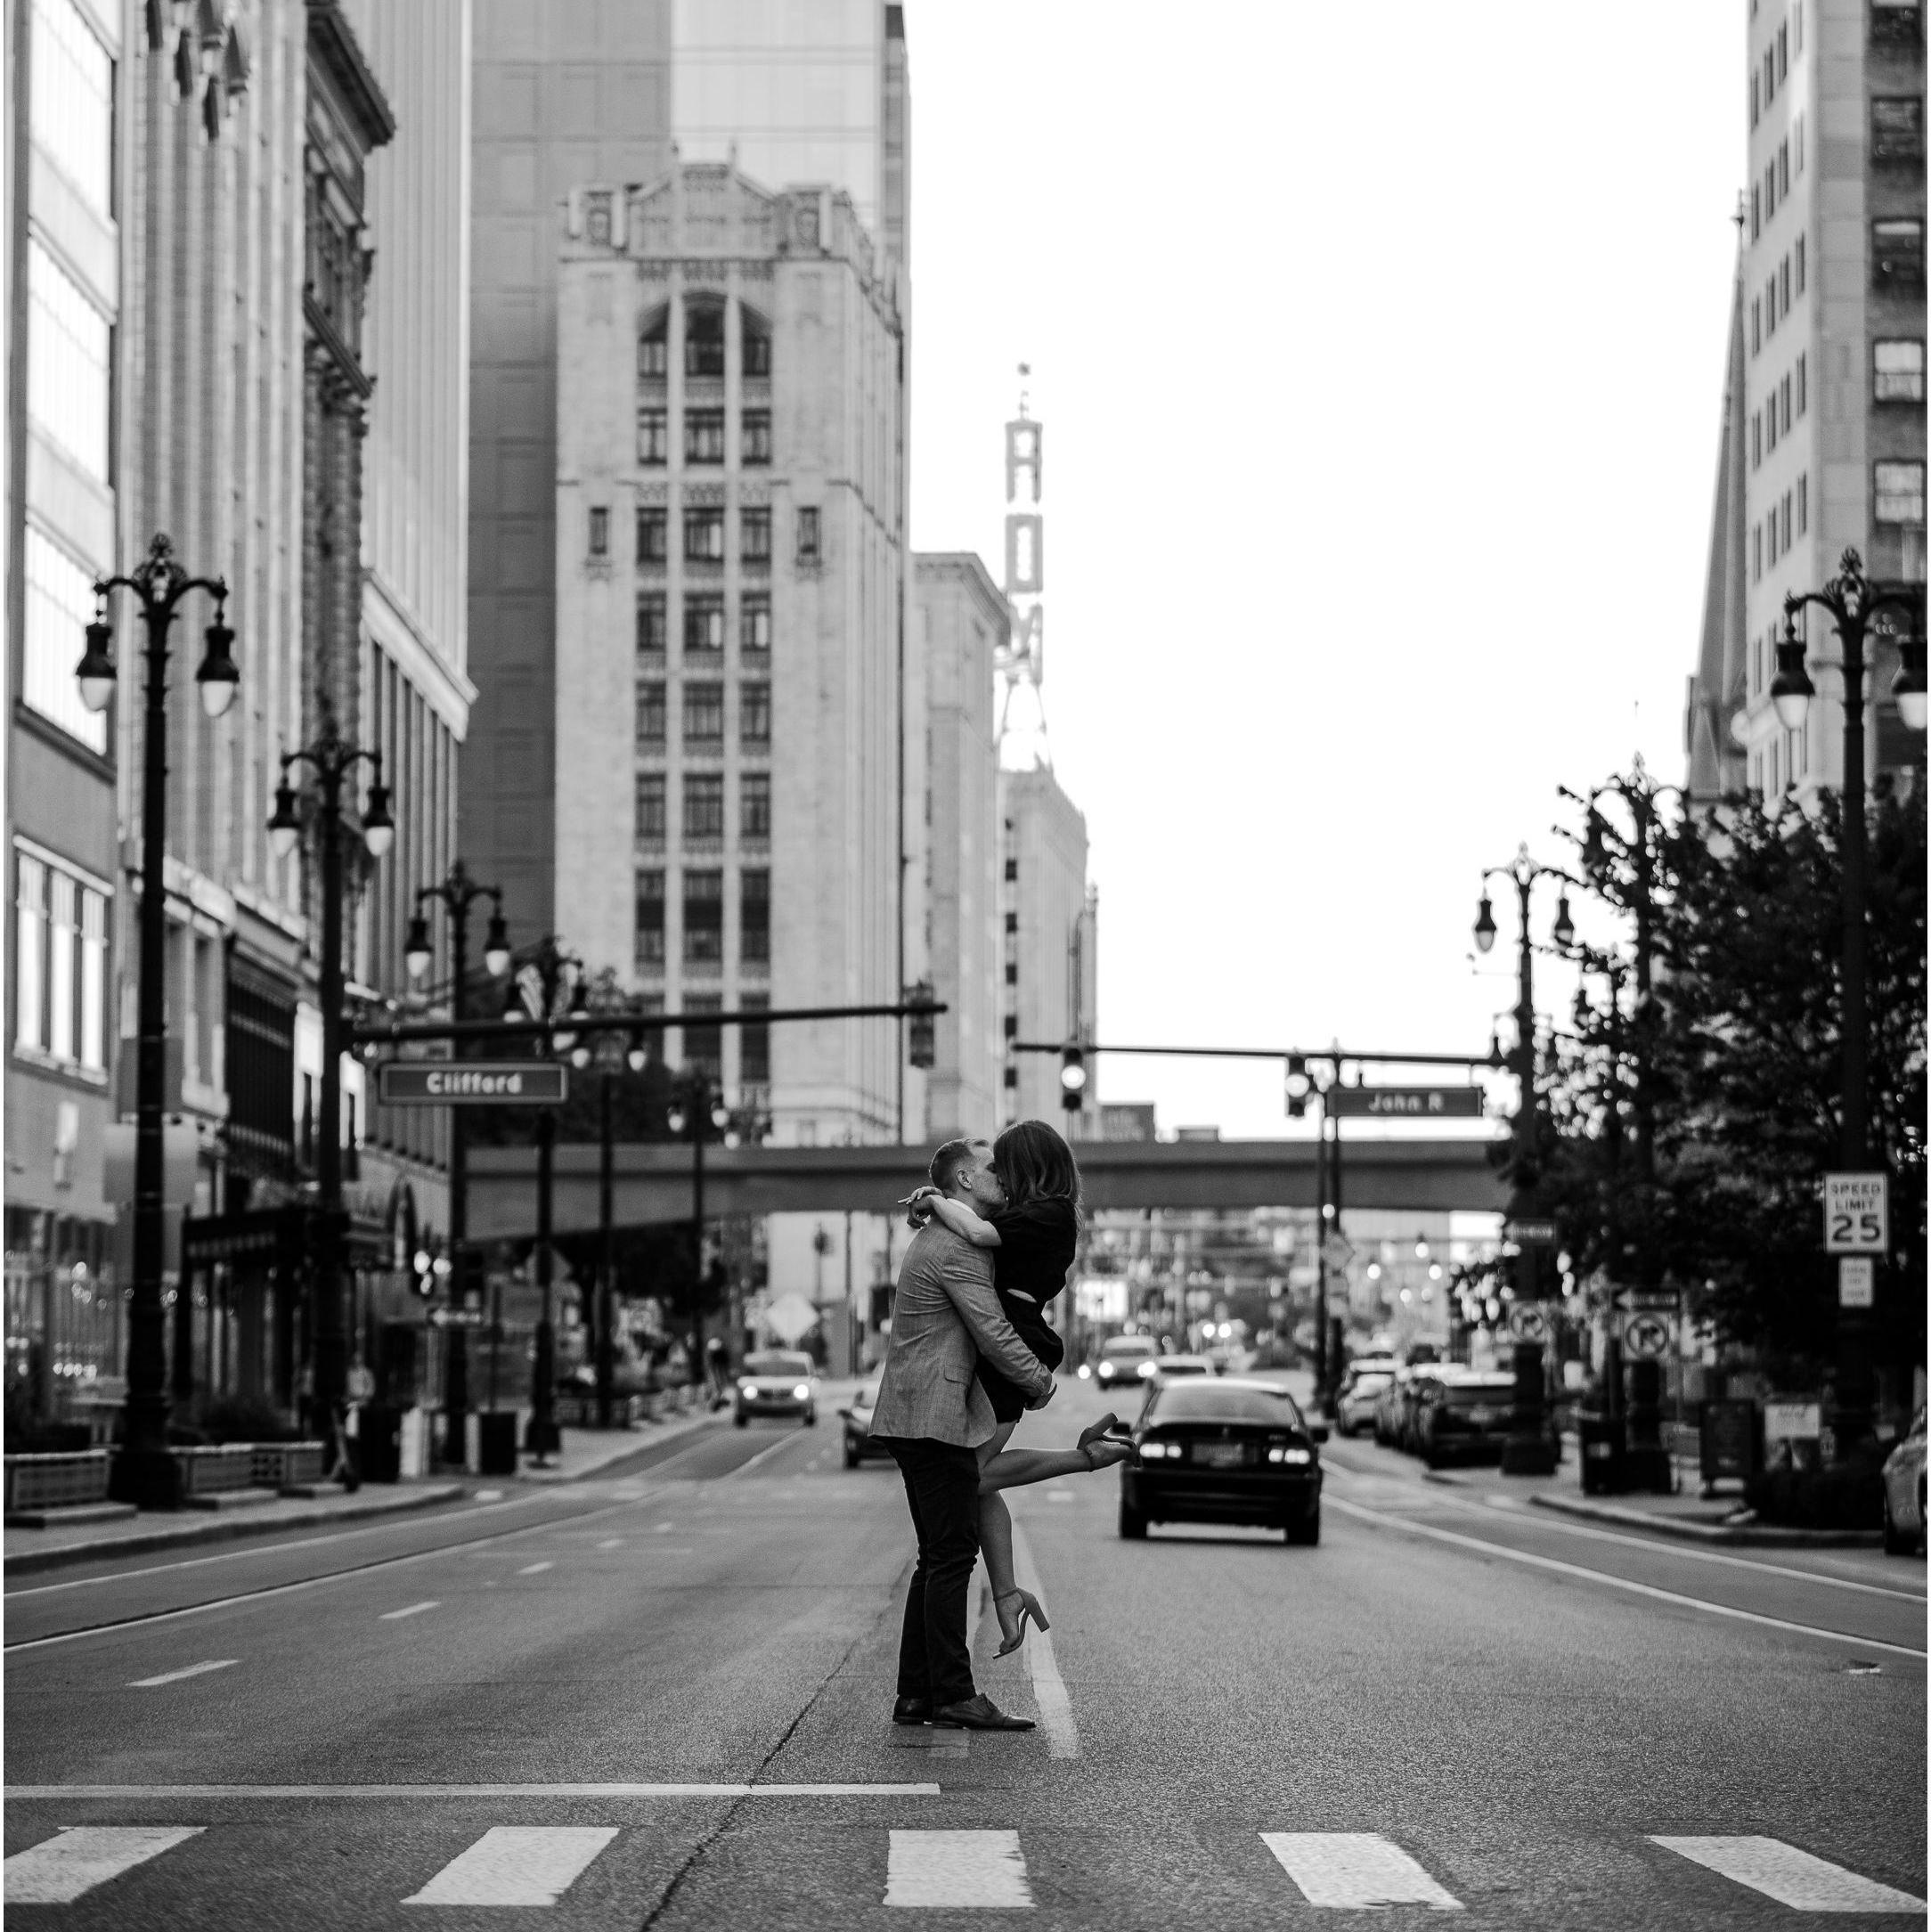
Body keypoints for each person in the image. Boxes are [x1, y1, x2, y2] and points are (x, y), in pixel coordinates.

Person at [904, 1120, 1128, 1656]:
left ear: (1028, 1166)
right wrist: (934, 1199)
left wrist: (935, 1201)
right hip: (1003, 1346)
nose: (999, 1176)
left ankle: (1083, 1461)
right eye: (991, 1168)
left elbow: (979, 1235)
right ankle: (1007, 1594)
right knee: (975, 1480)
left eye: (1005, 1165)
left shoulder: (1046, 1215)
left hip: (1016, 1342)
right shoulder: (1028, 1213)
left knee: (973, 1473)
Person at [868, 1137, 1067, 1731]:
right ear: (962, 1177)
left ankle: (917, 1693)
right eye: (990, 1168)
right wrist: (1038, 1381)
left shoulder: (943, 1233)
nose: (1002, 1176)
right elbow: (993, 1330)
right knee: (952, 1553)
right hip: (932, 1416)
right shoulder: (957, 1247)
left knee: (939, 1555)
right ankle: (953, 1692)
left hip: (917, 1412)